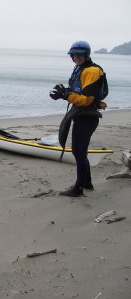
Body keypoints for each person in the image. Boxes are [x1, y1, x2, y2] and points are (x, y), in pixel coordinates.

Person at [49, 41, 108, 197]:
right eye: (74, 55)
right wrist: (62, 94)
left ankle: (78, 188)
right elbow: (77, 93)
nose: (76, 57)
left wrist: (66, 95)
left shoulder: (92, 71)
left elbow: (87, 100)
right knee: (80, 152)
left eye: (80, 55)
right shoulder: (80, 69)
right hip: (81, 115)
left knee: (79, 152)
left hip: (87, 117)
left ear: (86, 55)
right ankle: (87, 182)